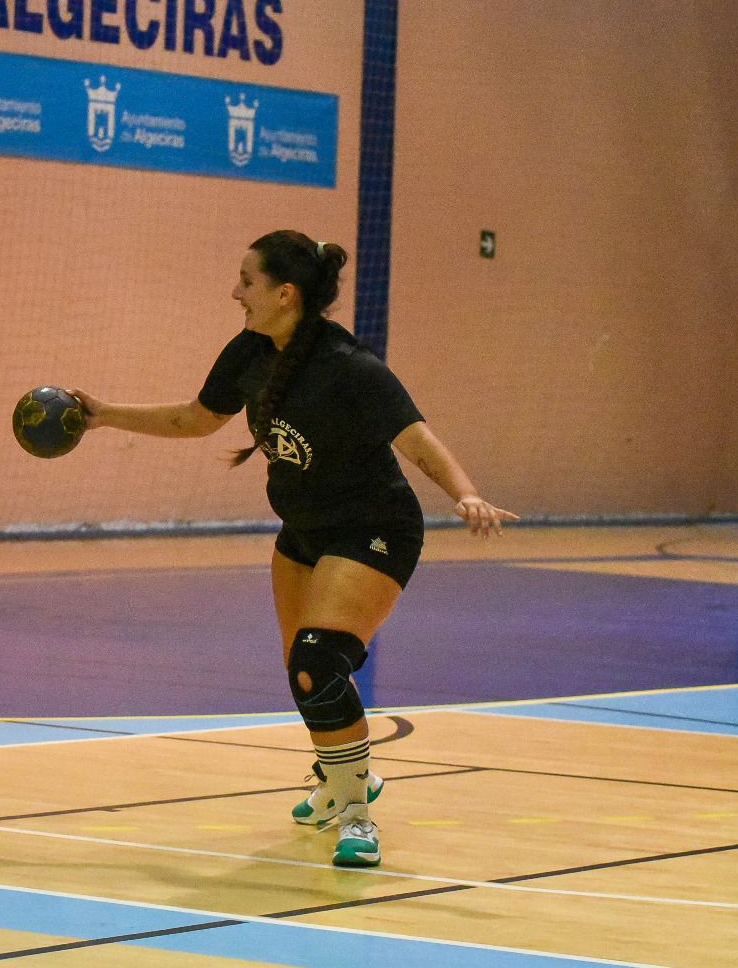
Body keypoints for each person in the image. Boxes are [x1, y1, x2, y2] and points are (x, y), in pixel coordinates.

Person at [70, 230, 516, 868]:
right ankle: (340, 781)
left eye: (247, 282)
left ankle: (358, 814)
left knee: (318, 661)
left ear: (286, 293)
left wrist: (466, 494)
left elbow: (415, 439)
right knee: (303, 674)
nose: (236, 292)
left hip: (373, 526)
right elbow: (195, 419)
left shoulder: (349, 366)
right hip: (303, 530)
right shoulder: (249, 353)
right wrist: (103, 415)